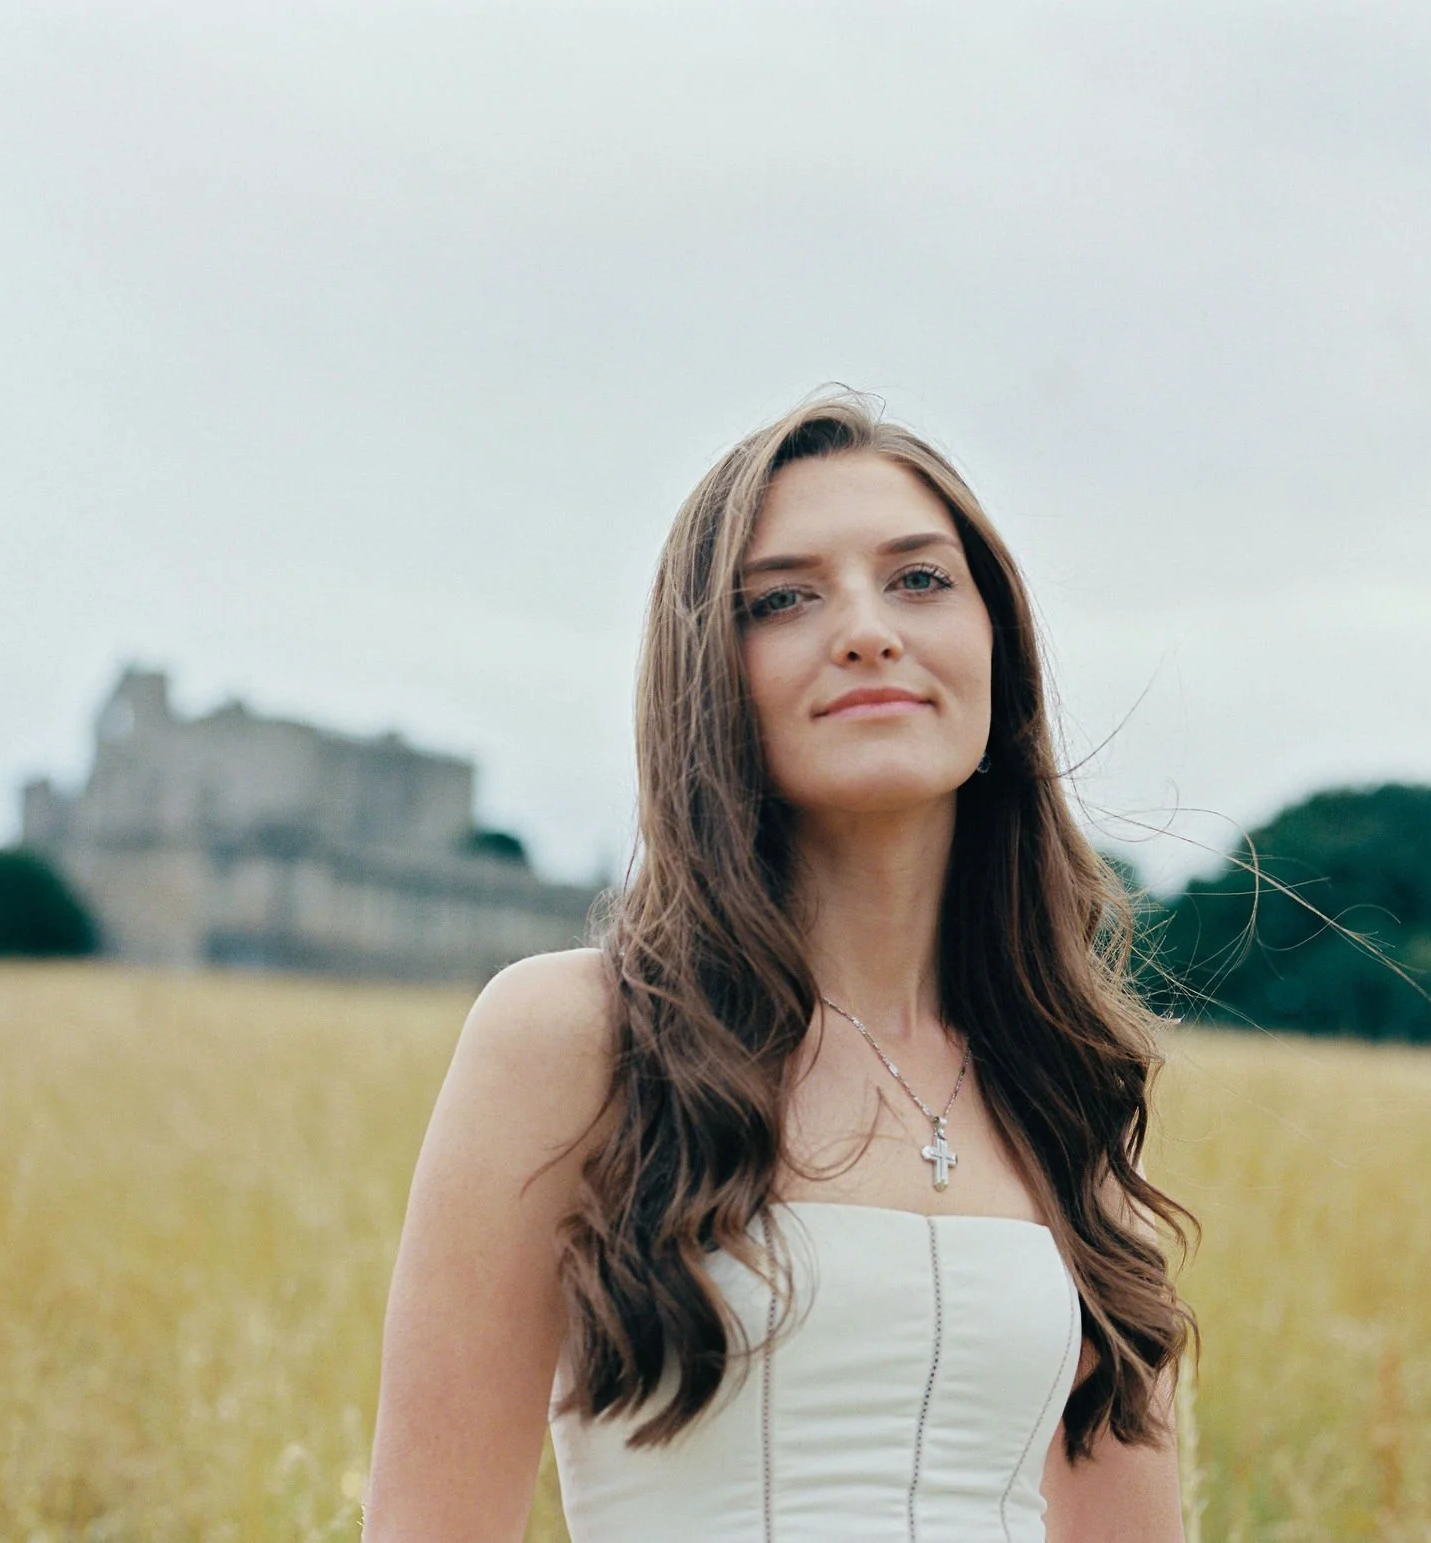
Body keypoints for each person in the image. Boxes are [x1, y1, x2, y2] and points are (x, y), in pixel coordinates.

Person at [364, 394, 1194, 1541]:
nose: (865, 629)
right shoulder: (578, 1034)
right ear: (708, 671)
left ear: (995, 644)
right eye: (783, 598)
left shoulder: (1058, 1091)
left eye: (919, 579)